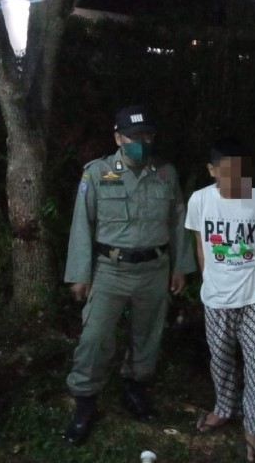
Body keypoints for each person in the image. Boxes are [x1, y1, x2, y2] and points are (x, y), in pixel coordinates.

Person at [63, 105, 195, 445]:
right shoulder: (97, 173)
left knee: (147, 336)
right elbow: (82, 224)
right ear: (118, 138)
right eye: (133, 136)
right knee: (95, 337)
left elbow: (178, 220)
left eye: (147, 136)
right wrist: (79, 274)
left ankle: (134, 388)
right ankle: (85, 401)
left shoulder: (166, 173)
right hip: (110, 269)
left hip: (154, 269)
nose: (141, 142)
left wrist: (180, 265)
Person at [185, 137, 255, 463]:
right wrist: (208, 278)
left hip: (254, 297)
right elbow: (201, 243)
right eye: (227, 172)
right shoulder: (200, 200)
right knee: (220, 358)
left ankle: (254, 430)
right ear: (212, 170)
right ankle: (224, 408)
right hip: (216, 298)